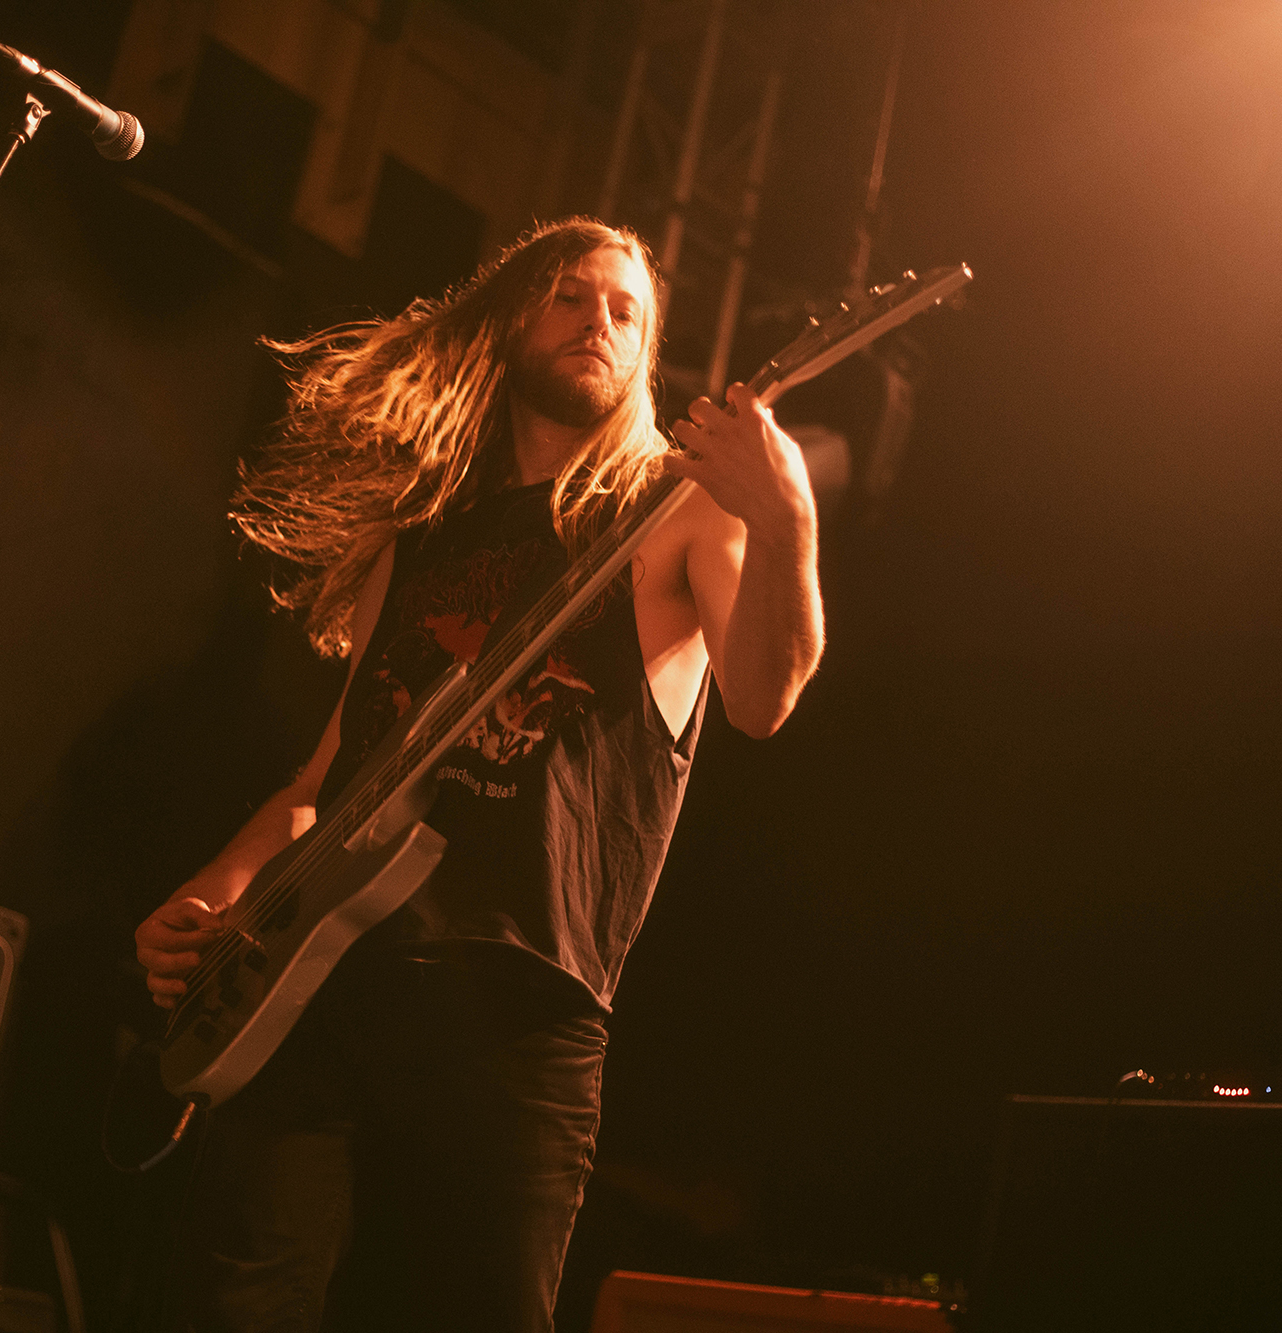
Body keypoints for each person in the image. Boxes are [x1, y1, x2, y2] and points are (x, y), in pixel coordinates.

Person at [134, 217, 824, 1331]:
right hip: (323, 980)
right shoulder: (420, 534)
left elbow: (762, 698)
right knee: (234, 1301)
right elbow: (329, 774)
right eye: (569, 295)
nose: (597, 321)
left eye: (625, 311)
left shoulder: (674, 510)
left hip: (518, 1009)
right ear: (508, 319)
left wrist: (786, 517)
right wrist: (221, 887)